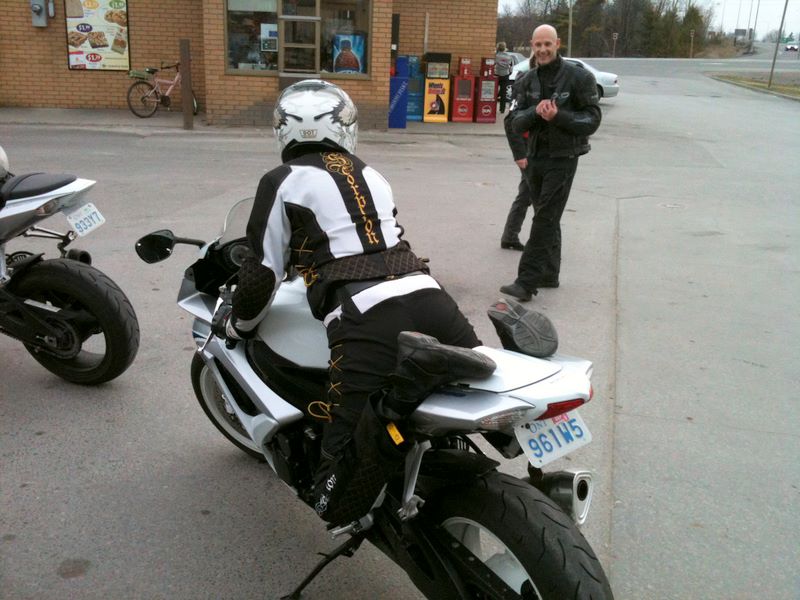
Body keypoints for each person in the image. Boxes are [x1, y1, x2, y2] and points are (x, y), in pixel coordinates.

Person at [216, 79, 495, 526]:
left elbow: (263, 271)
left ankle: (392, 411)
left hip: (367, 316)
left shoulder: (280, 181)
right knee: (480, 389)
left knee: (334, 499)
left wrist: (239, 325)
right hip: (431, 297)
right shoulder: (372, 174)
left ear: (283, 131)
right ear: (345, 127)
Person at [499, 25, 601, 302]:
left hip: (564, 158)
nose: (543, 50)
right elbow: (515, 122)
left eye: (547, 44)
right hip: (535, 158)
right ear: (532, 46)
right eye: (538, 45)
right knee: (548, 216)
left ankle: (526, 281)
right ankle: (549, 274)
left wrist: (558, 116)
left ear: (557, 44)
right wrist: (536, 112)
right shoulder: (526, 80)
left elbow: (592, 120)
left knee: (544, 218)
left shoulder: (579, 77)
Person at [500, 53, 536, 251]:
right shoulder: (525, 85)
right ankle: (517, 237)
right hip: (528, 148)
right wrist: (520, 155)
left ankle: (510, 236)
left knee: (527, 193)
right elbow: (510, 121)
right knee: (532, 193)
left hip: (537, 147)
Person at [494, 42, 513, 113]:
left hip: (496, 74)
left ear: (498, 48)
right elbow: (511, 67)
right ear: (505, 48)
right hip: (505, 75)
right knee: (503, 92)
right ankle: (502, 109)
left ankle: (492, 107)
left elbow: (493, 64)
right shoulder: (509, 56)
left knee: (494, 91)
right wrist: (509, 73)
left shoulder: (496, 56)